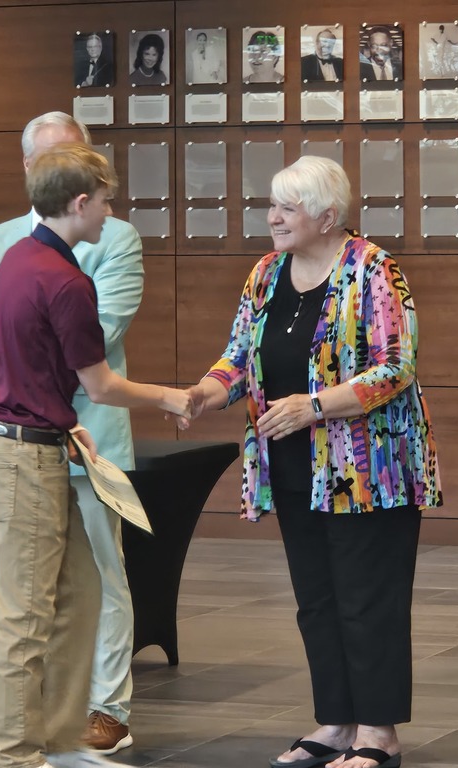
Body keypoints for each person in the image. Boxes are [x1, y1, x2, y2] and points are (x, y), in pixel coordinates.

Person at [185, 156, 442, 768]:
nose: (272, 217)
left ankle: (378, 734)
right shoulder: (265, 274)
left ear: (328, 217)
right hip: (292, 462)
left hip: (368, 468)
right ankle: (335, 722)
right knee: (317, 597)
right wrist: (205, 392)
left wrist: (317, 406)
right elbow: (239, 357)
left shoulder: (375, 270)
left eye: (287, 208)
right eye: (271, 206)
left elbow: (395, 367)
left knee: (367, 596)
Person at [0, 141, 191, 768]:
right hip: (24, 459)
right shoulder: (67, 280)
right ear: (78, 203)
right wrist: (171, 398)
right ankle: (15, 755)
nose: (110, 213)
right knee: (25, 612)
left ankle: (61, 735)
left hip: (32, 439)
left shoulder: (18, 256)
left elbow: (27, 366)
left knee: (79, 592)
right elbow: (101, 385)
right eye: (105, 202)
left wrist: (65, 424)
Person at [0, 112, 142, 759]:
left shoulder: (113, 237)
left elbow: (97, 332)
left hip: (86, 434)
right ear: (30, 172)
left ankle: (102, 709)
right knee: (15, 588)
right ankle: (9, 717)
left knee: (95, 581)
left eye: (75, 155)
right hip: (13, 436)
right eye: (50, 159)